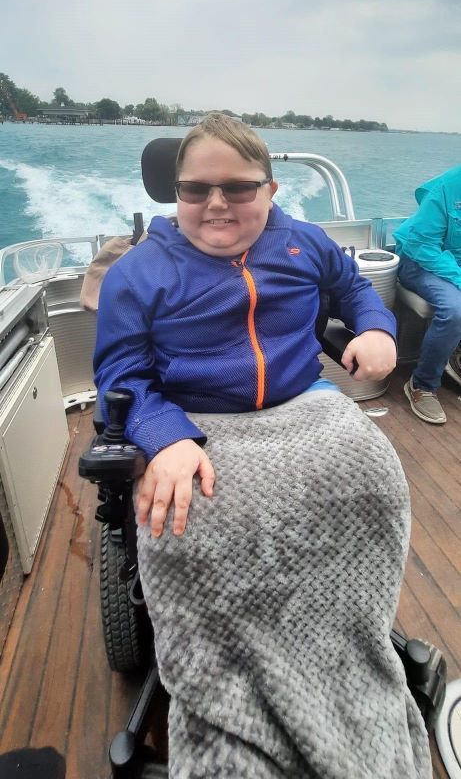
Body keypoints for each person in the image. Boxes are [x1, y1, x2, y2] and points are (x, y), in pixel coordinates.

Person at [94, 114, 397, 537]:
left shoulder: (306, 243)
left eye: (238, 187)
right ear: (177, 193)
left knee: (375, 488)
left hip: (302, 398)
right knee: (181, 526)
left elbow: (352, 288)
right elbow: (120, 379)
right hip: (189, 414)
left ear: (270, 191)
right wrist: (163, 436)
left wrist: (376, 328)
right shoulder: (135, 275)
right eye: (196, 189)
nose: (216, 203)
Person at [394, 165, 461, 424]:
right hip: (421, 260)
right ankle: (422, 385)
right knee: (456, 310)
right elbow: (422, 245)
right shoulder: (448, 188)